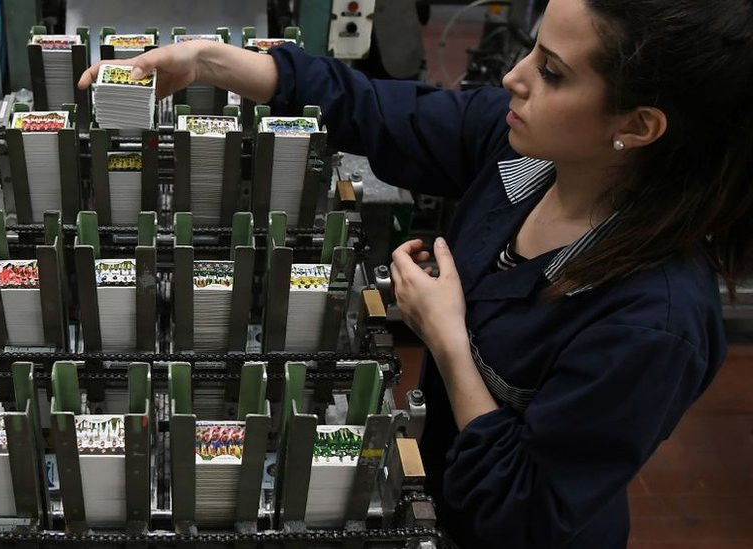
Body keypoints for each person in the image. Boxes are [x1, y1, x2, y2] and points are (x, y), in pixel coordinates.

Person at [79, 0, 753, 546]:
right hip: (437, 480)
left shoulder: (652, 319)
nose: (513, 78)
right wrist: (205, 62)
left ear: (636, 125)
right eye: (531, 50)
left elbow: (528, 511)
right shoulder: (525, 158)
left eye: (551, 72)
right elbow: (379, 113)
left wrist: (446, 336)